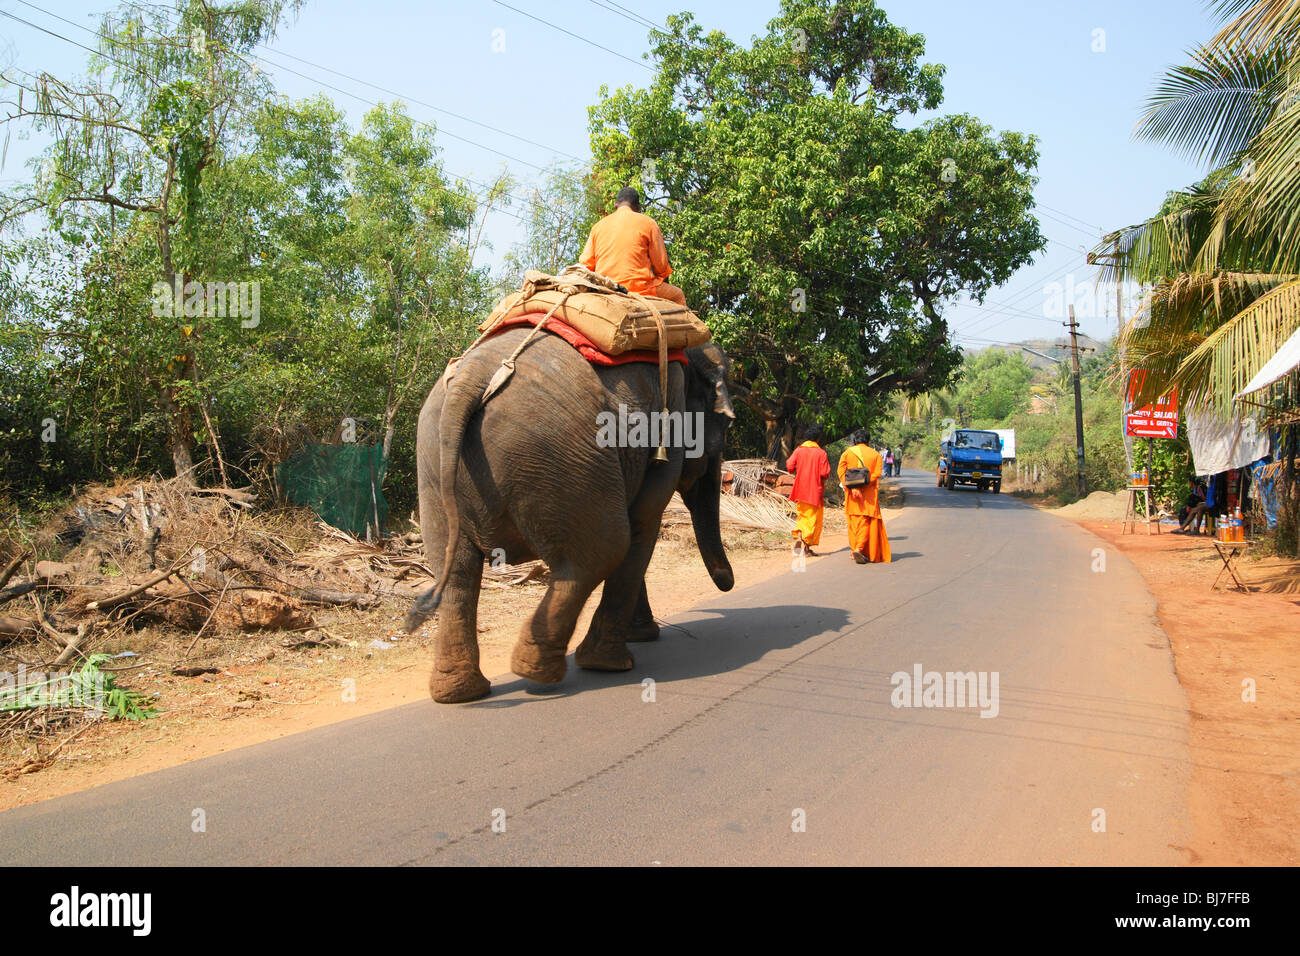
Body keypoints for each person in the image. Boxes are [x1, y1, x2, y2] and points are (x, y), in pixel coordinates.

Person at [579, 187, 687, 306]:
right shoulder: (649, 223)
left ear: (616, 205)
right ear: (638, 207)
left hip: (606, 288)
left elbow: (586, 264)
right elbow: (661, 266)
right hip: (641, 289)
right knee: (678, 295)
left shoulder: (597, 227)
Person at [838, 429, 891, 564]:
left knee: (853, 523)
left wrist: (851, 486)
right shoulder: (875, 455)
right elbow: (877, 474)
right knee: (865, 522)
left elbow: (841, 471)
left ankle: (855, 549)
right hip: (868, 495)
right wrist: (863, 484)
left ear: (855, 440)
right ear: (868, 441)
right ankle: (859, 548)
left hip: (852, 494)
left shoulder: (847, 453)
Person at [787, 424, 831, 556]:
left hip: (800, 489)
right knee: (812, 519)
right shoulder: (821, 453)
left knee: (803, 515)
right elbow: (825, 473)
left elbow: (789, 465)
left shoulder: (799, 450)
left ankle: (803, 544)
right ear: (817, 439)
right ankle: (803, 541)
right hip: (814, 490)